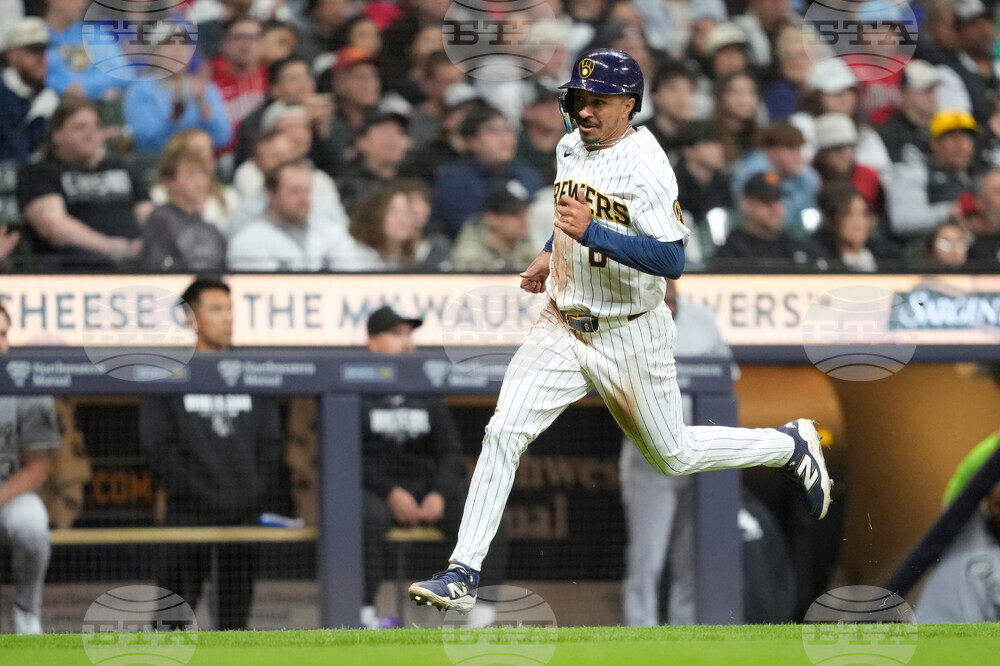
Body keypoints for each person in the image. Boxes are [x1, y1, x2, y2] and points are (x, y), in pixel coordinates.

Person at [407, 49, 833, 615]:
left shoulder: (647, 165)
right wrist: (545, 253)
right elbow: (567, 221)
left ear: (628, 105)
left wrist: (591, 237)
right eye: (580, 98)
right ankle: (462, 572)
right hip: (563, 323)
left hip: (629, 332)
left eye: (598, 102)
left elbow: (673, 258)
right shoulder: (567, 145)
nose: (584, 110)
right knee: (502, 433)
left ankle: (788, 445)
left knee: (673, 455)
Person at [139, 279, 284, 630]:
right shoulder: (169, 375)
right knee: (170, 623)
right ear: (191, 317)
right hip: (187, 513)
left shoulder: (252, 373)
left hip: (243, 513)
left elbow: (272, 446)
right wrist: (205, 496)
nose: (227, 318)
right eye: (216, 310)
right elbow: (159, 448)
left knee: (235, 626)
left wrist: (246, 495)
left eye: (230, 309)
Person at [619, 280, 731, 626]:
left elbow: (728, 377)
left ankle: (684, 637)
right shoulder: (627, 319)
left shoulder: (702, 318)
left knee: (691, 559)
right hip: (650, 458)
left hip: (698, 455)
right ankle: (640, 639)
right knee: (646, 560)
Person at [360, 306, 469, 628]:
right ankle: (363, 611)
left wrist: (438, 492)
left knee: (480, 514)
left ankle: (477, 612)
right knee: (366, 515)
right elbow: (346, 457)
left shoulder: (425, 391)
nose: (407, 344)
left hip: (422, 488)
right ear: (372, 342)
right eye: (396, 335)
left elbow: (450, 451)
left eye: (409, 335)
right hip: (375, 490)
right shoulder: (355, 387)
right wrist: (390, 492)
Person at [17, 97, 151, 269]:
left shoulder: (121, 168)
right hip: (76, 269)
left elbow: (149, 215)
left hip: (139, 266)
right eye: (80, 127)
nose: (91, 134)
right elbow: (52, 226)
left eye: (96, 126)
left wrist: (147, 245)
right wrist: (112, 248)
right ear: (57, 135)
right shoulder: (39, 172)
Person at [0, 303, 59, 634]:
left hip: (7, 495)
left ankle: (26, 610)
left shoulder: (23, 381)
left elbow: (38, 467)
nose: (2, 344)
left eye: (5, 334)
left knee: (32, 520)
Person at [918, 433, 1000, 622]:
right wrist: (996, 441)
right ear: (987, 503)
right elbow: (965, 478)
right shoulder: (965, 532)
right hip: (923, 644)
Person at [228, 158, 359, 271]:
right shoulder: (249, 240)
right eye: (295, 192)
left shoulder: (332, 232)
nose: (304, 200)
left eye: (307, 191)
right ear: (271, 194)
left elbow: (353, 277)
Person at [140, 148, 228, 272]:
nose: (200, 182)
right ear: (169, 182)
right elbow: (158, 269)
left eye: (203, 174)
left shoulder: (211, 228)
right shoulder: (160, 219)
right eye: (190, 174)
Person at [713, 171, 826, 268]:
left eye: (778, 200)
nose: (775, 208)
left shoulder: (797, 247)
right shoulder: (732, 251)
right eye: (766, 200)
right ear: (745, 203)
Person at [0, 17, 58, 164]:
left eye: (44, 50)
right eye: (34, 51)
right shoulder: (4, 95)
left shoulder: (49, 96)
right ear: (11, 55)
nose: (42, 58)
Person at [449, 180, 539, 272]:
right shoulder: (468, 258)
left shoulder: (527, 252)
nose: (524, 221)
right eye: (514, 214)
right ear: (491, 217)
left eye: (525, 213)